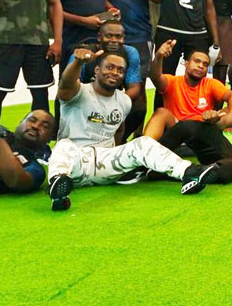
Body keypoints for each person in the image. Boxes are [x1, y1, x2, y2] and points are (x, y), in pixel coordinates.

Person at [45, 47, 221, 210]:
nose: (115, 73)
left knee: (143, 142)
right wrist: (78, 62)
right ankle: (59, 191)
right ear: (97, 70)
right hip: (75, 165)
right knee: (63, 146)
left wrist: (120, 153)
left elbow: (119, 129)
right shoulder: (77, 91)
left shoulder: (124, 101)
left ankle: (189, 173)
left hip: (106, 164)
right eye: (109, 67)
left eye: (120, 70)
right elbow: (66, 83)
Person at [103, 0, 163, 138]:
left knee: (138, 87)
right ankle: (111, 134)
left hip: (140, 37)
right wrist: (109, 8)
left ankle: (138, 135)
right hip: (112, 40)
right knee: (111, 85)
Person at [63, 21, 144, 142]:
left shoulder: (130, 53)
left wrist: (114, 103)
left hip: (113, 97)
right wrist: (79, 62)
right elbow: (68, 84)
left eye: (118, 37)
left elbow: (134, 87)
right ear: (99, 37)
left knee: (139, 107)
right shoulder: (84, 53)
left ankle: (117, 141)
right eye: (109, 36)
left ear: (124, 38)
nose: (114, 40)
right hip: (83, 98)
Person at [144, 47, 232, 141]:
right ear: (186, 63)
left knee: (230, 111)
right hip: (177, 128)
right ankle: (144, 148)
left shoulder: (210, 83)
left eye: (205, 64)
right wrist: (158, 56)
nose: (201, 66)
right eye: (197, 61)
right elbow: (155, 77)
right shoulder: (173, 81)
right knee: (161, 112)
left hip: (203, 128)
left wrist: (231, 120)